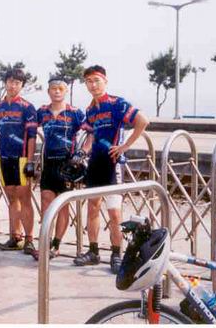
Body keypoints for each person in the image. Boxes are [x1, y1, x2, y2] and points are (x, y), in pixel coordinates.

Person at [73, 65, 150, 274]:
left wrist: (125, 146)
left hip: (113, 165)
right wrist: (82, 153)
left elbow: (143, 121)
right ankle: (93, 252)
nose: (93, 85)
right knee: (92, 209)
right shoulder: (91, 109)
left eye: (96, 80)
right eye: (89, 81)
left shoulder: (117, 103)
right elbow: (91, 135)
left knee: (114, 213)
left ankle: (117, 254)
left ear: (105, 81)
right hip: (95, 164)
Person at [31, 76, 85, 260]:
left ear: (66, 91)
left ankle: (56, 245)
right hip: (48, 163)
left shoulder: (75, 113)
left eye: (60, 89)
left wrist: (82, 153)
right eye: (53, 88)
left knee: (62, 205)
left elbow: (91, 131)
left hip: (67, 164)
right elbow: (29, 129)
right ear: (48, 92)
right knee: (46, 203)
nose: (57, 91)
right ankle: (44, 243)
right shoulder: (42, 112)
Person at [0, 68, 38, 254]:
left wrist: (30, 161)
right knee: (11, 197)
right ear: (5, 83)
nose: (13, 85)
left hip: (21, 158)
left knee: (24, 198)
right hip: (4, 158)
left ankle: (29, 239)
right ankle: (15, 237)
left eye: (17, 82)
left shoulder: (27, 107)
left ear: (22, 85)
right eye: (10, 81)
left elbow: (32, 137)